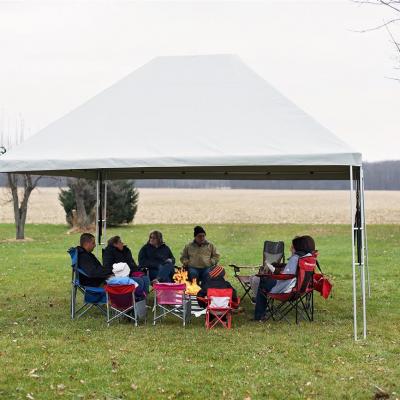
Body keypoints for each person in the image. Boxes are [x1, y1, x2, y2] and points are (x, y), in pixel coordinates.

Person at [254, 235, 315, 321]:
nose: (291, 249)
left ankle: (259, 316)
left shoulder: (295, 258)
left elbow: (285, 276)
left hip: (288, 291)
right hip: (301, 290)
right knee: (266, 280)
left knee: (263, 281)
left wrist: (270, 274)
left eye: (293, 247)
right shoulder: (309, 258)